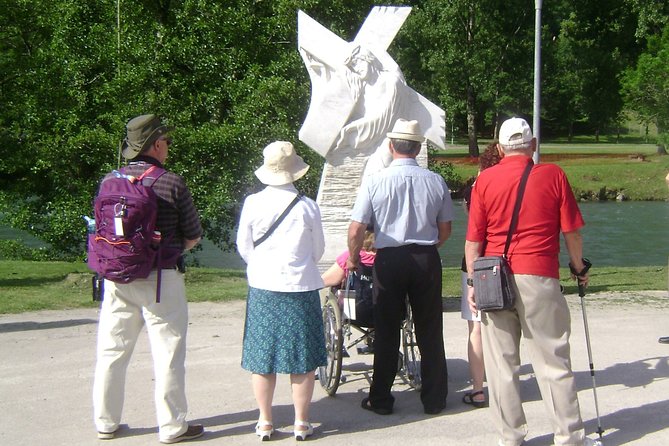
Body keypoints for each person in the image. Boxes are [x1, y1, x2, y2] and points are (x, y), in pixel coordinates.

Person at [464, 117, 596, 446]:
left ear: (499, 148)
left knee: (502, 365)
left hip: (493, 278)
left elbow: (472, 243)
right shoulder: (553, 175)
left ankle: (510, 438)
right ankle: (568, 437)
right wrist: (579, 269)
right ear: (532, 145)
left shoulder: (484, 181)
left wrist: (472, 285)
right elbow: (572, 234)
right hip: (539, 275)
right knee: (553, 361)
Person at [93, 114, 204, 443]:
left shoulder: (109, 181)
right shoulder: (172, 182)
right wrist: (175, 247)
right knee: (168, 353)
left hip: (117, 277)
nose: (168, 146)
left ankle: (105, 422)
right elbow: (194, 235)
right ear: (156, 144)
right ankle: (172, 426)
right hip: (161, 278)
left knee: (112, 351)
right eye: (166, 141)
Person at [347, 118, 454, 415]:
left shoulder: (375, 181)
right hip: (425, 256)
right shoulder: (435, 181)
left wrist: (354, 258)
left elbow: (357, 228)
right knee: (430, 329)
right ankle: (434, 399)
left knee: (386, 329)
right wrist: (430, 246)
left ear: (391, 146)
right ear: (418, 148)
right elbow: (445, 228)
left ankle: (381, 398)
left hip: (390, 258)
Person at [236, 141, 327, 441]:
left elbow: (244, 248)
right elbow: (318, 251)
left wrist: (262, 266)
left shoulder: (252, 203)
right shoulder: (308, 206)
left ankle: (265, 421)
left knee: (263, 358)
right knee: (302, 359)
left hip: (264, 287)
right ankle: (301, 422)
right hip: (300, 287)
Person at [460, 143, 501, 409]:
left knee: (476, 326)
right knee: (503, 325)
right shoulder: (505, 186)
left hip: (475, 259)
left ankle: (477, 389)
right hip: (500, 259)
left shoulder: (473, 189)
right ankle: (502, 384)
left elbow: (472, 223)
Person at [322, 230, 376, 354]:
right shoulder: (389, 258)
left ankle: (336, 339)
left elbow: (326, 280)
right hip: (387, 312)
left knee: (336, 288)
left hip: (354, 312)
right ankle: (373, 339)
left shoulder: (350, 257)